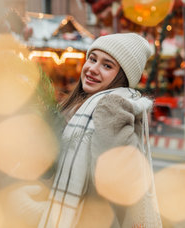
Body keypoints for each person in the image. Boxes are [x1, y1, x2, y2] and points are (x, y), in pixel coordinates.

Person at [15, 33, 162, 228]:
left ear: (123, 77)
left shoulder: (116, 110)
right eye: (92, 59)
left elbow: (116, 184)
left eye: (107, 65)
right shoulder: (74, 108)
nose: (93, 69)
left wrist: (111, 112)